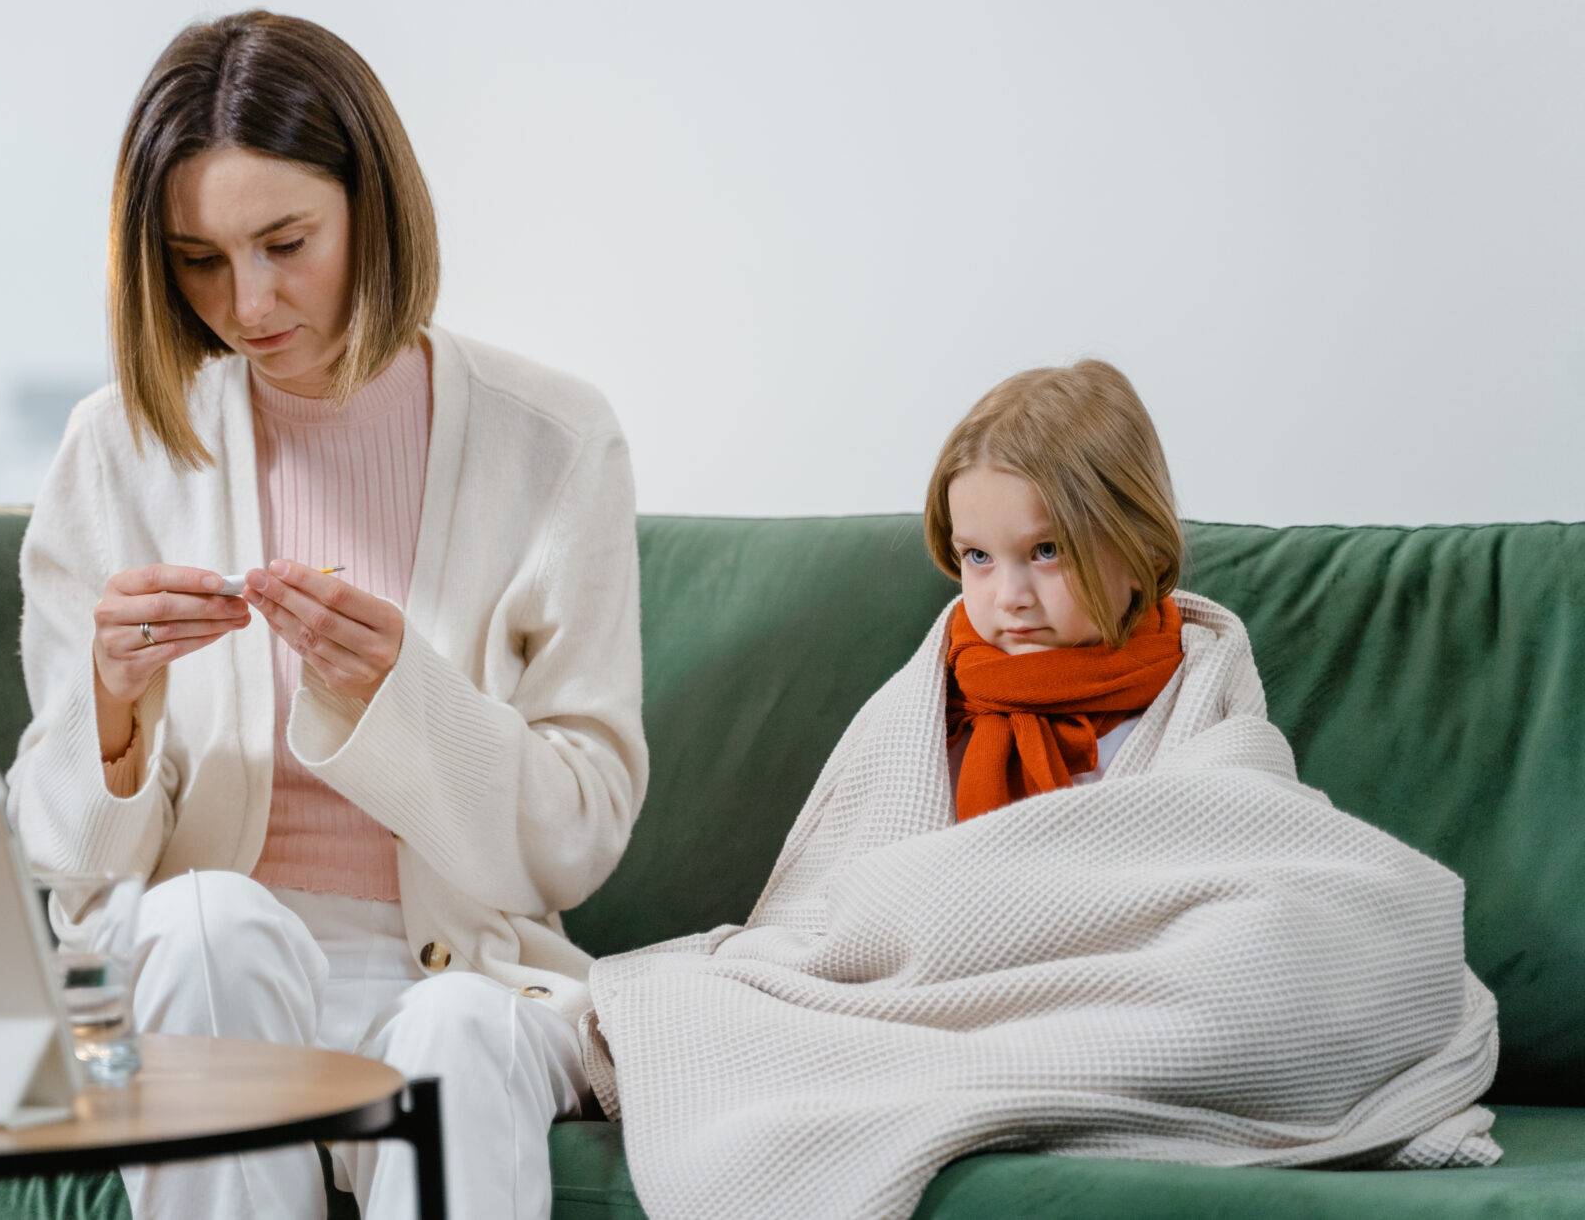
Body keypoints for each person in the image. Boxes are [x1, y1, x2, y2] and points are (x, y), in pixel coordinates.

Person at [582, 360, 1498, 1218]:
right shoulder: (935, 689)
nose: (1007, 594)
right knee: (724, 990)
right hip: (934, 987)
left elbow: (1241, 848)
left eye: (1046, 551)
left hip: (1113, 984)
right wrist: (938, 906)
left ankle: (1017, 1065)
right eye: (977, 557)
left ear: (1136, 547)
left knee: (1277, 942)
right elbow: (845, 891)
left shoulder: (1200, 675)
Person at [5, 9, 647, 1220]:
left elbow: (579, 840)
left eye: (284, 242)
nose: (245, 303)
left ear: (374, 207)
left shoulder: (552, 442)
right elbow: (71, 867)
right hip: (210, 967)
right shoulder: (120, 449)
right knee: (199, 924)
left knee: (458, 1030)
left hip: (468, 970)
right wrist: (113, 712)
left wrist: (407, 700)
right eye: (197, 259)